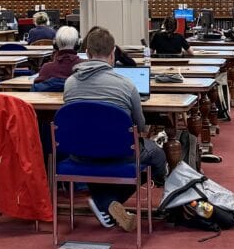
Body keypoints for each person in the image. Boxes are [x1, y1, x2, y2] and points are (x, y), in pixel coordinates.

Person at [63, 26, 167, 232]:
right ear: (112, 54)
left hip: (80, 153)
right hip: (121, 153)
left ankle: (105, 203)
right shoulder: (126, 85)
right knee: (156, 155)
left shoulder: (69, 83)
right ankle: (111, 202)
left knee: (97, 155)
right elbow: (141, 126)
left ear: (88, 53)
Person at [32, 26, 80, 91]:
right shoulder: (85, 67)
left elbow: (36, 90)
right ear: (78, 44)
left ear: (55, 44)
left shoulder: (47, 68)